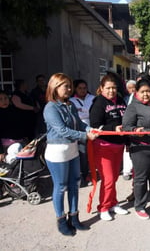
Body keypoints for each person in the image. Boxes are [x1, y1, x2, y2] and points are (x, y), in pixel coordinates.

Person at [43, 73, 99, 236]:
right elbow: (62, 130)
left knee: (75, 184)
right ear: (55, 87)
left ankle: (74, 218)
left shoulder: (70, 105)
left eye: (69, 85)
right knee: (60, 187)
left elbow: (79, 123)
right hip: (57, 152)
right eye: (65, 86)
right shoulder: (51, 107)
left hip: (72, 150)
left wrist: (89, 129)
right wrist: (85, 136)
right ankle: (61, 220)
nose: (69, 89)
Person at [122, 79, 150, 220]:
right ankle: (140, 205)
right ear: (136, 92)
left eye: (148, 91)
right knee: (141, 178)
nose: (146, 94)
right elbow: (126, 126)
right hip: (140, 146)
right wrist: (135, 130)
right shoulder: (133, 107)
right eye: (142, 92)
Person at [89, 74, 129, 221]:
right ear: (101, 88)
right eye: (108, 88)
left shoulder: (120, 100)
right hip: (103, 146)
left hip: (118, 145)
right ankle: (103, 207)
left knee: (114, 179)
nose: (111, 91)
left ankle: (113, 203)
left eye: (114, 88)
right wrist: (113, 127)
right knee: (108, 179)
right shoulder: (98, 103)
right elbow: (94, 125)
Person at [69, 79, 95, 187]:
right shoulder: (71, 101)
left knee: (92, 154)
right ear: (75, 89)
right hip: (79, 130)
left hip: (93, 128)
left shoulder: (93, 98)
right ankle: (84, 175)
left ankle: (93, 173)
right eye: (80, 88)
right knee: (83, 154)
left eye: (84, 88)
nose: (83, 90)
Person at [122, 79, 137, 181]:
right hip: (128, 127)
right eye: (129, 88)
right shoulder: (124, 99)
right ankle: (127, 171)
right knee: (127, 151)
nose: (132, 90)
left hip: (137, 128)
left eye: (133, 87)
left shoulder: (137, 97)